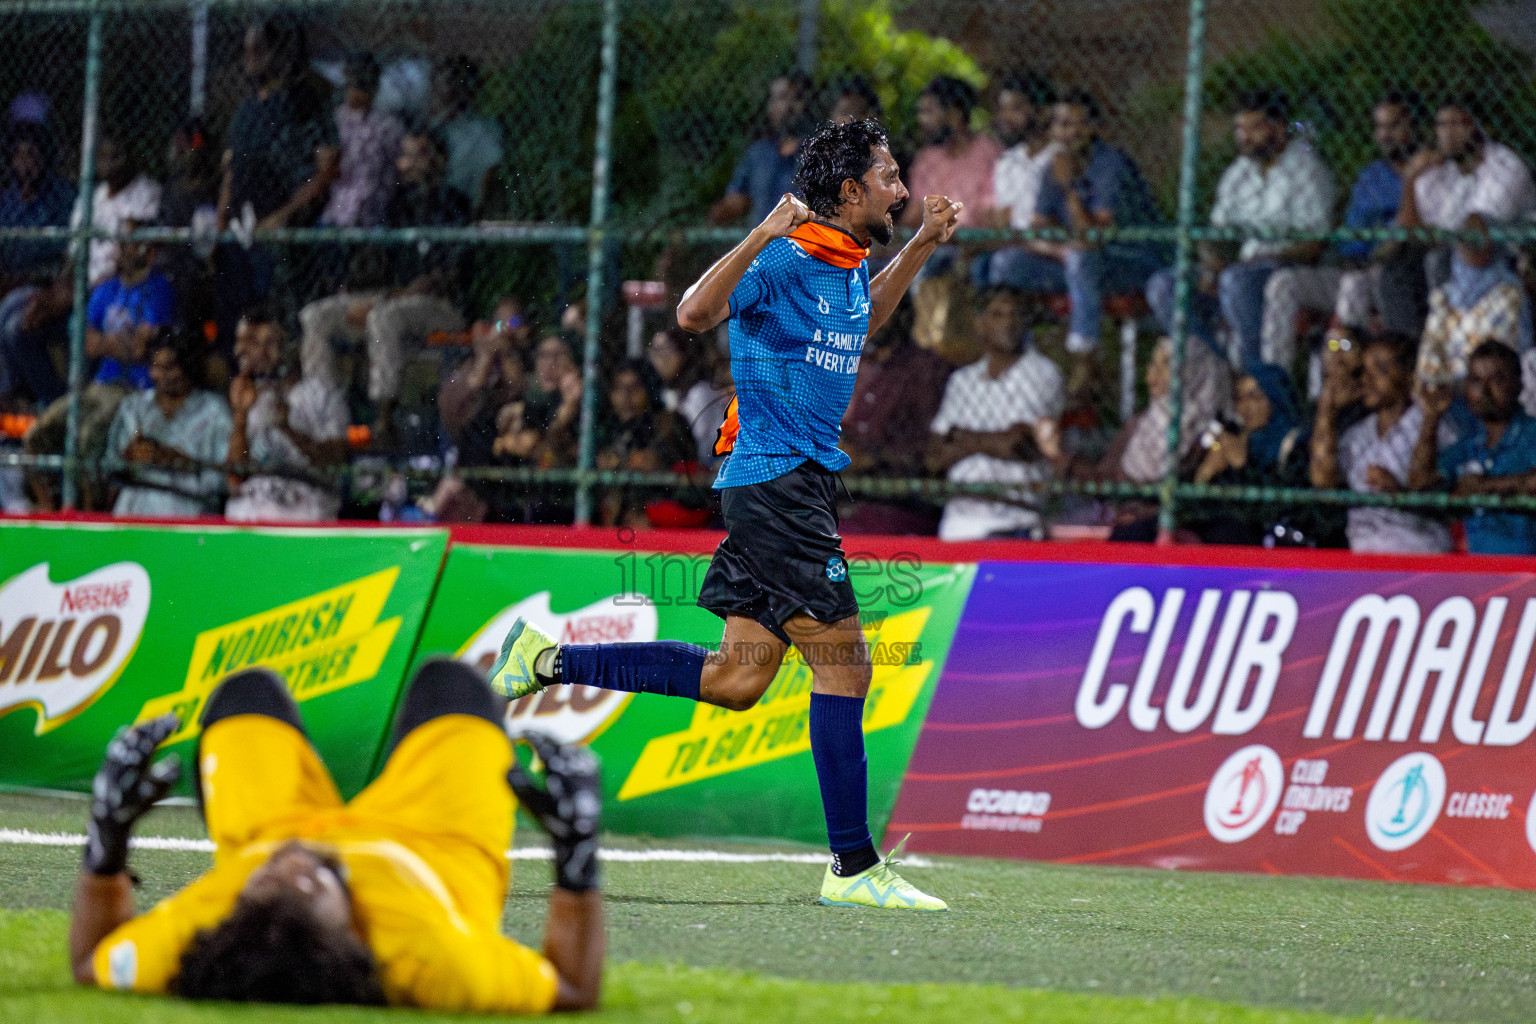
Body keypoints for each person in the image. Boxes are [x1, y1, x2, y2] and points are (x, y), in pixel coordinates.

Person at [494, 118, 960, 910]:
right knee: (844, 663)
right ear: (848, 193)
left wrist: (916, 247)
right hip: (777, 485)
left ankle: (544, 659)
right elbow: (692, 312)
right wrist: (759, 231)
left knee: (737, 678)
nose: (901, 188)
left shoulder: (846, 261)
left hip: (786, 486)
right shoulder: (784, 254)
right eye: (887, 177)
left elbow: (860, 325)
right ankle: (853, 867)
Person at [68, 660, 604, 1011]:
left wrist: (106, 845)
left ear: (237, 911)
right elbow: (574, 988)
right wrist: (576, 863)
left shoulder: (204, 935)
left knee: (244, 695)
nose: (296, 864)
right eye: (310, 886)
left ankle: (273, 863)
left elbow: (91, 961)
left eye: (266, 884)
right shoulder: (430, 961)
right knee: (452, 685)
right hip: (432, 845)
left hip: (273, 830)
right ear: (352, 938)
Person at [299, 130, 472, 445]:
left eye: (415, 155)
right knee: (316, 315)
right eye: (402, 156)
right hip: (393, 299)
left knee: (384, 316)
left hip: (440, 309)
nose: (405, 165)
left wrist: (387, 298)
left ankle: (383, 420)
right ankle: (324, 413)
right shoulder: (397, 205)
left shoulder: (453, 203)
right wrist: (359, 292)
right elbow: (380, 267)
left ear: (439, 160)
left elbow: (441, 278)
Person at [1146, 89, 1336, 369]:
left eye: (1255, 128)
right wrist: (1212, 264)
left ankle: (1258, 379)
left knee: (1236, 281)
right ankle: (1215, 369)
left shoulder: (1307, 170)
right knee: (1164, 286)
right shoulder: (1238, 173)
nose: (1244, 137)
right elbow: (1212, 235)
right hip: (1236, 271)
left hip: (1283, 270)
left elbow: (1313, 247)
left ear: (1279, 126)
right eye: (1239, 128)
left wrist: (1250, 265)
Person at [988, 88, 1164, 360]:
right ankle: (1019, 351)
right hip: (1076, 262)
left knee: (1081, 259)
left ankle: (1084, 352)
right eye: (1060, 125)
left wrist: (1069, 188)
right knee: (1007, 262)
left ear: (1093, 128)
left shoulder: (1110, 164)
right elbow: (1036, 229)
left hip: (1129, 262)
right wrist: (1061, 250)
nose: (1066, 133)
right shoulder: (1054, 167)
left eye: (1075, 124)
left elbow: (1093, 238)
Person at [23, 225, 177, 510]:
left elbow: (144, 349)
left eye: (131, 244)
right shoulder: (106, 289)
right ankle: (48, 513)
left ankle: (88, 516)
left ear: (150, 252)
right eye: (122, 242)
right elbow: (87, 343)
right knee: (36, 436)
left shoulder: (159, 289)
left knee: (87, 439)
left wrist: (112, 343)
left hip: (135, 389)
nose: (121, 249)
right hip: (100, 385)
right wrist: (123, 344)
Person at [1265, 93, 1419, 365]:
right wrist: (1354, 259)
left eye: (1394, 125)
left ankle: (1341, 370)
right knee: (1283, 283)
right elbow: (1351, 240)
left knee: (1352, 290)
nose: (1386, 134)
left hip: (1394, 273)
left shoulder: (1429, 170)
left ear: (1415, 126)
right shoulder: (1371, 177)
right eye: (1380, 127)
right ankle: (1275, 376)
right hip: (1357, 268)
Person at [1044, 334, 1230, 542]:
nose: (1153, 374)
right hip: (1119, 518)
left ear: (1193, 372)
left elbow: (1147, 490)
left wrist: (1059, 457)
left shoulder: (1208, 434)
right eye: (1153, 364)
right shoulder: (1141, 422)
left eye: (1166, 365)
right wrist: (1058, 457)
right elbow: (1105, 479)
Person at [926, 286, 1063, 540]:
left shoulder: (1042, 372)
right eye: (998, 315)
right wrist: (994, 441)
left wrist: (962, 439)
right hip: (958, 522)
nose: (1009, 323)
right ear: (980, 324)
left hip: (1016, 520)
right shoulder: (962, 380)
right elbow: (935, 455)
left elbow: (1018, 443)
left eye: (1016, 315)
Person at [1310, 333, 1453, 553]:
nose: (1367, 379)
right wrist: (1326, 407)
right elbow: (1322, 479)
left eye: (1381, 369)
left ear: (1408, 376)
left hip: (1419, 555)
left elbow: (1431, 492)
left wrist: (1396, 492)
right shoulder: (1357, 434)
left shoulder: (1434, 426)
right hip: (1365, 558)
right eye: (1364, 371)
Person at [1397, 94, 1535, 304]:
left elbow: (1480, 230)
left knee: (1439, 260)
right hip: (1456, 250)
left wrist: (1436, 236)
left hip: (1508, 250)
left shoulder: (1505, 166)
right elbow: (1409, 231)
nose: (1447, 134)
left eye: (1458, 124)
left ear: (1479, 128)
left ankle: (1457, 324)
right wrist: (1410, 179)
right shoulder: (1441, 173)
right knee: (1401, 264)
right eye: (1441, 125)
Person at [225, 303, 349, 522]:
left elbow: (336, 464)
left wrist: (288, 429)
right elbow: (234, 477)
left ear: (291, 345)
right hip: (248, 523)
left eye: (270, 343)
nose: (259, 353)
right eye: (251, 343)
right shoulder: (240, 393)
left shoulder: (323, 395)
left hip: (305, 521)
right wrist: (241, 417)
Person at [1409, 342, 1536, 554]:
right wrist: (1430, 419)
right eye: (1476, 381)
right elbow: (1420, 485)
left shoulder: (1531, 433)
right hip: (1481, 573)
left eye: (1497, 379)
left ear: (1519, 384)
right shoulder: (1468, 444)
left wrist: (1486, 487)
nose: (1484, 391)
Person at [839, 296, 949, 535]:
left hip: (903, 499)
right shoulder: (862, 363)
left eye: (876, 312)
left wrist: (871, 458)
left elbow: (929, 449)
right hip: (854, 495)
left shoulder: (923, 368)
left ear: (901, 316)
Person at [102, 330, 232, 518]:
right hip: (133, 515)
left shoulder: (214, 411)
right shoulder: (133, 407)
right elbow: (110, 469)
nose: (160, 375)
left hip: (188, 516)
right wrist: (127, 457)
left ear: (189, 367)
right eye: (156, 366)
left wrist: (174, 459)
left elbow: (224, 479)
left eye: (170, 367)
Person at [1189, 366, 1310, 545]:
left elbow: (1275, 511)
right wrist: (1207, 471)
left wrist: (1241, 464)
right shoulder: (1232, 436)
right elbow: (1197, 501)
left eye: (1255, 397)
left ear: (1275, 397)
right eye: (1239, 399)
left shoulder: (1295, 444)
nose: (1244, 408)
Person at [1415, 214, 1528, 397]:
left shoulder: (1509, 292)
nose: (1472, 246)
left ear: (1493, 241)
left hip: (1494, 392)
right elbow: (1430, 355)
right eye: (1466, 238)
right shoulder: (1444, 295)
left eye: (1478, 238)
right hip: (1450, 393)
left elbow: (1516, 351)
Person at [593, 359, 695, 528]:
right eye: (619, 388)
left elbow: (648, 462)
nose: (626, 395)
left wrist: (619, 462)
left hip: (662, 508)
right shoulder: (608, 426)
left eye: (635, 387)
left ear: (649, 389)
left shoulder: (666, 422)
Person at [711, 73, 813, 226]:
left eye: (795, 98)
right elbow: (738, 199)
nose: (787, 106)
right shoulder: (758, 153)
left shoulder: (819, 151)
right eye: (780, 98)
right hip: (765, 244)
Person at [320, 53, 405, 229]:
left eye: (365, 82)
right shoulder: (335, 119)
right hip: (336, 211)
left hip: (374, 215)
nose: (358, 88)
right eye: (354, 80)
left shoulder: (388, 125)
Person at [70, 134, 162, 287]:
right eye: (103, 157)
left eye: (116, 156)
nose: (109, 163)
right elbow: (73, 248)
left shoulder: (147, 191)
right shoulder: (91, 197)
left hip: (118, 282)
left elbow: (137, 255)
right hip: (81, 280)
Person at [0, 122, 75, 285]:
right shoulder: (7, 199)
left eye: (32, 154)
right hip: (9, 278)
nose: (26, 162)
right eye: (19, 155)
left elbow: (61, 246)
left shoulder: (60, 194)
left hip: (44, 279)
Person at [988, 72, 1058, 244]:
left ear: (1042, 112)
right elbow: (1003, 218)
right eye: (1002, 109)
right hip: (1016, 245)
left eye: (1016, 109)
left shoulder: (1058, 156)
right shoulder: (1007, 161)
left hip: (1051, 246)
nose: (1006, 117)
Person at [430, 55, 504, 215]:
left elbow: (489, 170)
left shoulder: (482, 128)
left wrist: (476, 208)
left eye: (449, 81)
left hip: (463, 204)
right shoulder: (434, 127)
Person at [647, 325, 731, 463]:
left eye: (667, 351)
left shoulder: (699, 392)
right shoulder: (660, 391)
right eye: (655, 351)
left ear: (684, 353)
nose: (661, 359)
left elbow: (698, 443)